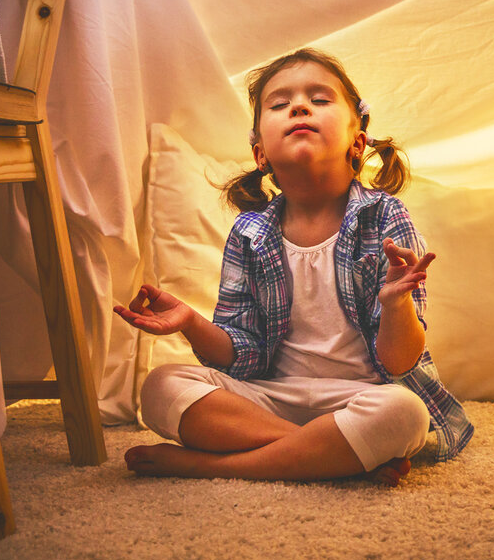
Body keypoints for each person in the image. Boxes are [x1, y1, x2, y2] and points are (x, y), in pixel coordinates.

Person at [115, 48, 471, 485]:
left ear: (357, 142)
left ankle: (211, 465)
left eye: (319, 100)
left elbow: (399, 362)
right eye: (280, 104)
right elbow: (241, 361)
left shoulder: (385, 215)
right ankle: (330, 455)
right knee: (161, 387)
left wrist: (396, 305)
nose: (299, 106)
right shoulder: (250, 231)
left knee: (403, 413)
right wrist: (189, 321)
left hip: (361, 396)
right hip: (269, 397)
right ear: (260, 152)